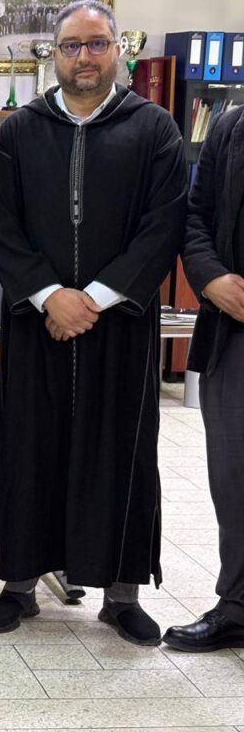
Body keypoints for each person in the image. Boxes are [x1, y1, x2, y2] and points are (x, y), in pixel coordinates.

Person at [0, 0, 187, 646]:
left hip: (118, 325)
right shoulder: (20, 131)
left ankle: (121, 596)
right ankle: (18, 586)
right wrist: (49, 295)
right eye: (71, 46)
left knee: (120, 451)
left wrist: (91, 299)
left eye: (97, 44)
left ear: (118, 49)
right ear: (55, 55)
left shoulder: (153, 129)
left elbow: (164, 224)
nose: (84, 57)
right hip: (36, 323)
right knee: (29, 450)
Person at [163, 105, 244, 652]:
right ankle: (236, 606)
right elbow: (196, 216)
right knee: (233, 478)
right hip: (232, 329)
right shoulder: (229, 126)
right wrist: (210, 279)